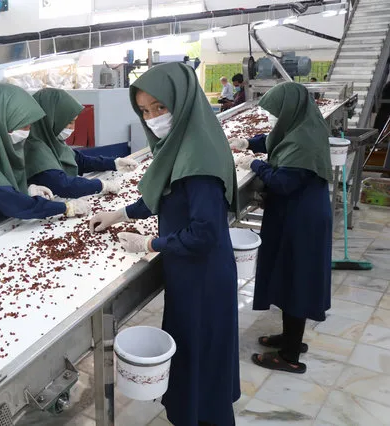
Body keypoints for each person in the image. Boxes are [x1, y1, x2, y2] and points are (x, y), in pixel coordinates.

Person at [90, 63, 239, 426]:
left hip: (203, 276)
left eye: (159, 107)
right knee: (191, 354)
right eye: (144, 111)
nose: (152, 117)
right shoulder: (183, 143)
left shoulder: (199, 157)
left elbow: (204, 233)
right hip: (187, 271)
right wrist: (121, 214)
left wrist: (150, 244)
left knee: (203, 362)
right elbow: (164, 192)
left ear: (181, 100)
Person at [231, 82, 332, 374]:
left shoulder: (304, 141)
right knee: (289, 277)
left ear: (289, 110)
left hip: (302, 221)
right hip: (295, 215)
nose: (273, 119)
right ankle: (290, 337)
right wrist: (248, 144)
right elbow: (275, 139)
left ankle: (289, 356)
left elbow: (283, 183)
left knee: (296, 282)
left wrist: (254, 165)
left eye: (276, 113)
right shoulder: (302, 125)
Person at [0, 83, 91, 243]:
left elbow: (2, 186)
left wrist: (24, 189)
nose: (27, 131)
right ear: (2, 118)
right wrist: (66, 208)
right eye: (24, 125)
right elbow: (15, 204)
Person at [25, 88, 138, 199]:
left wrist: (114, 163)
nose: (72, 128)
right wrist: (102, 185)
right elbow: (64, 185)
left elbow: (79, 161)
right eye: (69, 122)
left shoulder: (52, 141)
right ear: (51, 119)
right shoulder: (34, 149)